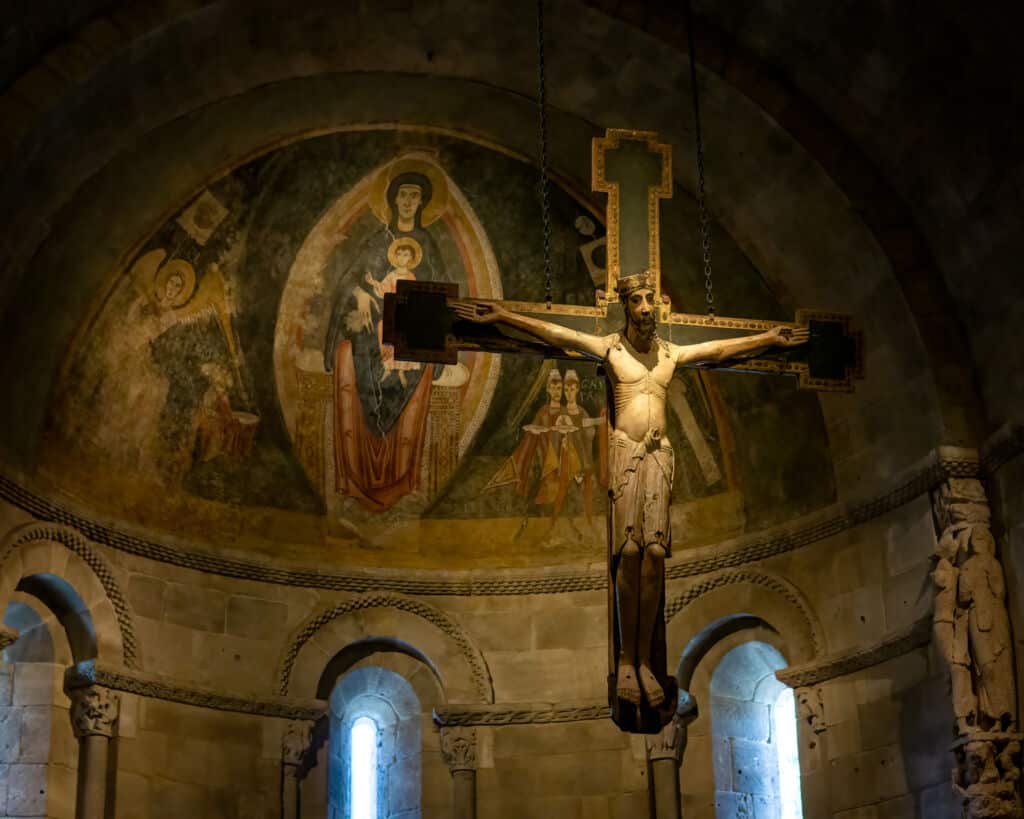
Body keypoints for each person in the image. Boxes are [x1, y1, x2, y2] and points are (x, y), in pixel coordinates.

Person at [454, 270, 808, 708]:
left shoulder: (669, 354)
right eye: (637, 301)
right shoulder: (610, 350)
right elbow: (557, 333)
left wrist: (770, 338)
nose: (645, 308)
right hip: (626, 455)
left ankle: (645, 662)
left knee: (656, 555)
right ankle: (627, 659)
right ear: (626, 305)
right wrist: (506, 315)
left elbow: (719, 348)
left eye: (649, 301)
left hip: (660, 455)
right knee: (630, 553)